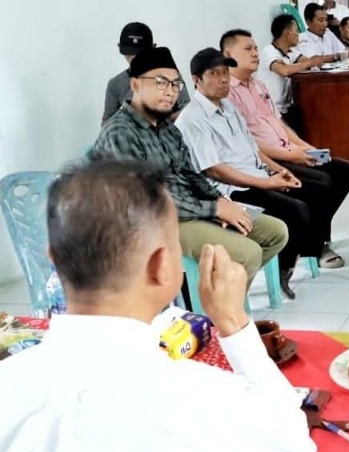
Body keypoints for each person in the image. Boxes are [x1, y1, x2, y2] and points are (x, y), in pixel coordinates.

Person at [0, 161, 316, 452]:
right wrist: (234, 323)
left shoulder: (8, 384)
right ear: (163, 266)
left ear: (54, 261)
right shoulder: (200, 398)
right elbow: (292, 441)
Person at [92, 47, 288, 288]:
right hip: (151, 224)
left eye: (176, 84)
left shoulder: (167, 129)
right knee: (248, 254)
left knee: (275, 232)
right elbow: (150, 200)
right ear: (135, 85)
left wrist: (221, 202)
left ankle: (212, 300)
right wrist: (213, 209)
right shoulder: (120, 133)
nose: (170, 92)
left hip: (188, 211)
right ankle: (218, 313)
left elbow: (190, 174)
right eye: (161, 82)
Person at [178, 48, 346, 300]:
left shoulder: (228, 107)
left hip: (257, 175)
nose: (224, 79)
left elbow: (253, 149)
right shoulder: (191, 119)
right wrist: (266, 183)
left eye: (225, 72)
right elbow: (214, 170)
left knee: (320, 189)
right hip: (232, 190)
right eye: (215, 74)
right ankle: (282, 267)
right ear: (196, 80)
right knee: (297, 210)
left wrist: (279, 171)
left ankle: (299, 255)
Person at [221, 30, 349, 292]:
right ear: (228, 56)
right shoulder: (229, 94)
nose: (255, 53)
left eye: (255, 48)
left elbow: (278, 123)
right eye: (247, 49)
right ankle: (312, 246)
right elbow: (248, 143)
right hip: (268, 159)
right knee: (322, 184)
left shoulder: (258, 84)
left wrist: (307, 149)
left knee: (344, 170)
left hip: (289, 150)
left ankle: (313, 240)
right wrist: (293, 156)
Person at [103, 22, 189, 124]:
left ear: (154, 47)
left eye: (140, 54)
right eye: (130, 54)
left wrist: (160, 124)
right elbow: (107, 123)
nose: (135, 59)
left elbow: (187, 110)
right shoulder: (116, 84)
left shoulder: (171, 76)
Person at [259, 15, 322, 130]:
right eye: (296, 31)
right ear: (288, 33)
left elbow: (308, 61)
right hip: (270, 110)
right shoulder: (269, 51)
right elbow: (284, 70)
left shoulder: (291, 51)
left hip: (287, 108)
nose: (299, 35)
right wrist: (308, 63)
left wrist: (311, 62)